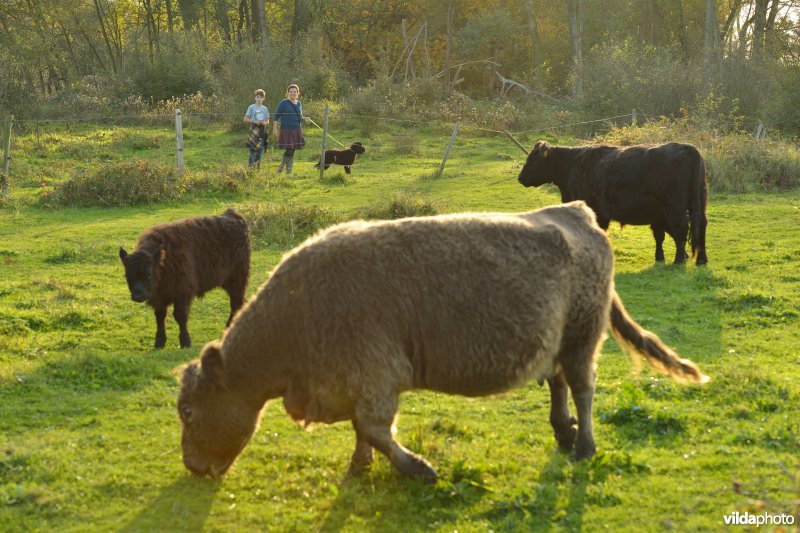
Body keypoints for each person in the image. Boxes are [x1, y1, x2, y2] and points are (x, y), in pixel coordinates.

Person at [272, 84, 309, 174]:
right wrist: (275, 128)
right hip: (286, 130)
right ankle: (281, 168)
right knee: (289, 149)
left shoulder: (299, 103)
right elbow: (276, 116)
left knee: (292, 150)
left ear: (297, 93)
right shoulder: (283, 103)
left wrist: (305, 118)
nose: (292, 93)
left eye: (294, 92)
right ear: (288, 93)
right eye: (291, 92)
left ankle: (288, 171)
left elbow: (300, 116)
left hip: (296, 130)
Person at [244, 89, 269, 169]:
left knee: (259, 152)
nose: (259, 99)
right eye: (257, 97)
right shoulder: (251, 107)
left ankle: (257, 170)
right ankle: (250, 169)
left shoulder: (265, 108)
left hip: (262, 130)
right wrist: (255, 122)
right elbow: (245, 119)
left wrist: (265, 123)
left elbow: (267, 120)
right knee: (253, 152)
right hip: (253, 130)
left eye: (261, 97)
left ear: (263, 98)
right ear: (255, 98)